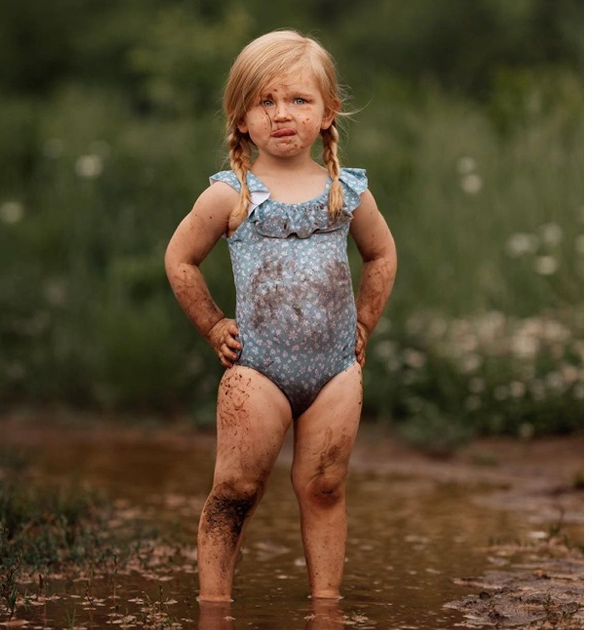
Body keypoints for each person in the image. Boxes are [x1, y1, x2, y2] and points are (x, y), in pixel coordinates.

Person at [165, 29, 397, 602]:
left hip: (335, 370)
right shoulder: (230, 195)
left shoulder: (346, 191)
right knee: (236, 488)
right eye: (264, 102)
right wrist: (215, 324)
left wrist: (364, 323)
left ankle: (326, 607)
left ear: (327, 112)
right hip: (257, 369)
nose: (282, 114)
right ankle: (214, 606)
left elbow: (382, 254)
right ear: (241, 118)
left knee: (323, 487)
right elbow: (180, 259)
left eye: (298, 100)